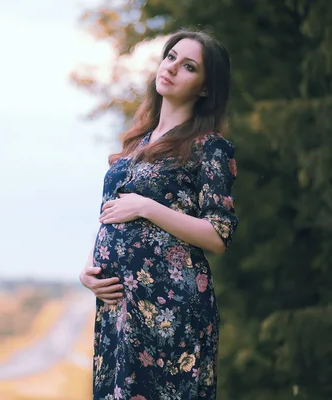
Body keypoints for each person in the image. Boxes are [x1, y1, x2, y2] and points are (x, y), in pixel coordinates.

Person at [79, 29, 238, 400]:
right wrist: (88, 269)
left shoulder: (210, 147)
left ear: (203, 88)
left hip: (170, 309)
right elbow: (110, 214)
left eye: (188, 66)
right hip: (120, 308)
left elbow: (218, 234)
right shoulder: (137, 144)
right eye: (170, 57)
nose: (172, 68)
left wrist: (148, 207)